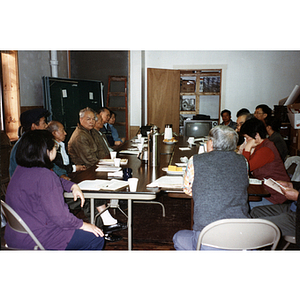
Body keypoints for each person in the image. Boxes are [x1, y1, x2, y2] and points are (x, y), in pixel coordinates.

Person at [4, 130, 104, 250]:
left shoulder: (21, 170)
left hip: (16, 236)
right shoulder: (45, 175)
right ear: (46, 151)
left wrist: (72, 186)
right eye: (54, 146)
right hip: (38, 238)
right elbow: (61, 218)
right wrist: (83, 225)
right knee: (95, 237)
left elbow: (55, 181)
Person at [173, 125, 249, 250]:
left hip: (207, 235)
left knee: (178, 237)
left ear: (212, 143)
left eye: (208, 139)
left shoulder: (195, 160)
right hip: (241, 236)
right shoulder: (243, 161)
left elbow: (187, 189)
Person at [68, 107, 126, 242]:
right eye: (88, 119)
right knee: (93, 193)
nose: (91, 122)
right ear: (80, 119)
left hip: (93, 169)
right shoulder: (80, 136)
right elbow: (90, 160)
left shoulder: (91, 132)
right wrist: (108, 165)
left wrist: (109, 163)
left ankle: (107, 223)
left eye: (93, 119)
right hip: (82, 174)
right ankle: (103, 230)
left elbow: (101, 153)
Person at [240, 118, 290, 208]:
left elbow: (244, 169)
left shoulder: (266, 149)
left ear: (256, 135)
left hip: (274, 196)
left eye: (247, 138)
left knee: (242, 206)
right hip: (265, 191)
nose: (246, 141)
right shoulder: (261, 146)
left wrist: (247, 149)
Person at [9, 107, 49, 177]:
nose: (46, 126)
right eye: (43, 123)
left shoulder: (34, 142)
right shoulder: (25, 147)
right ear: (33, 126)